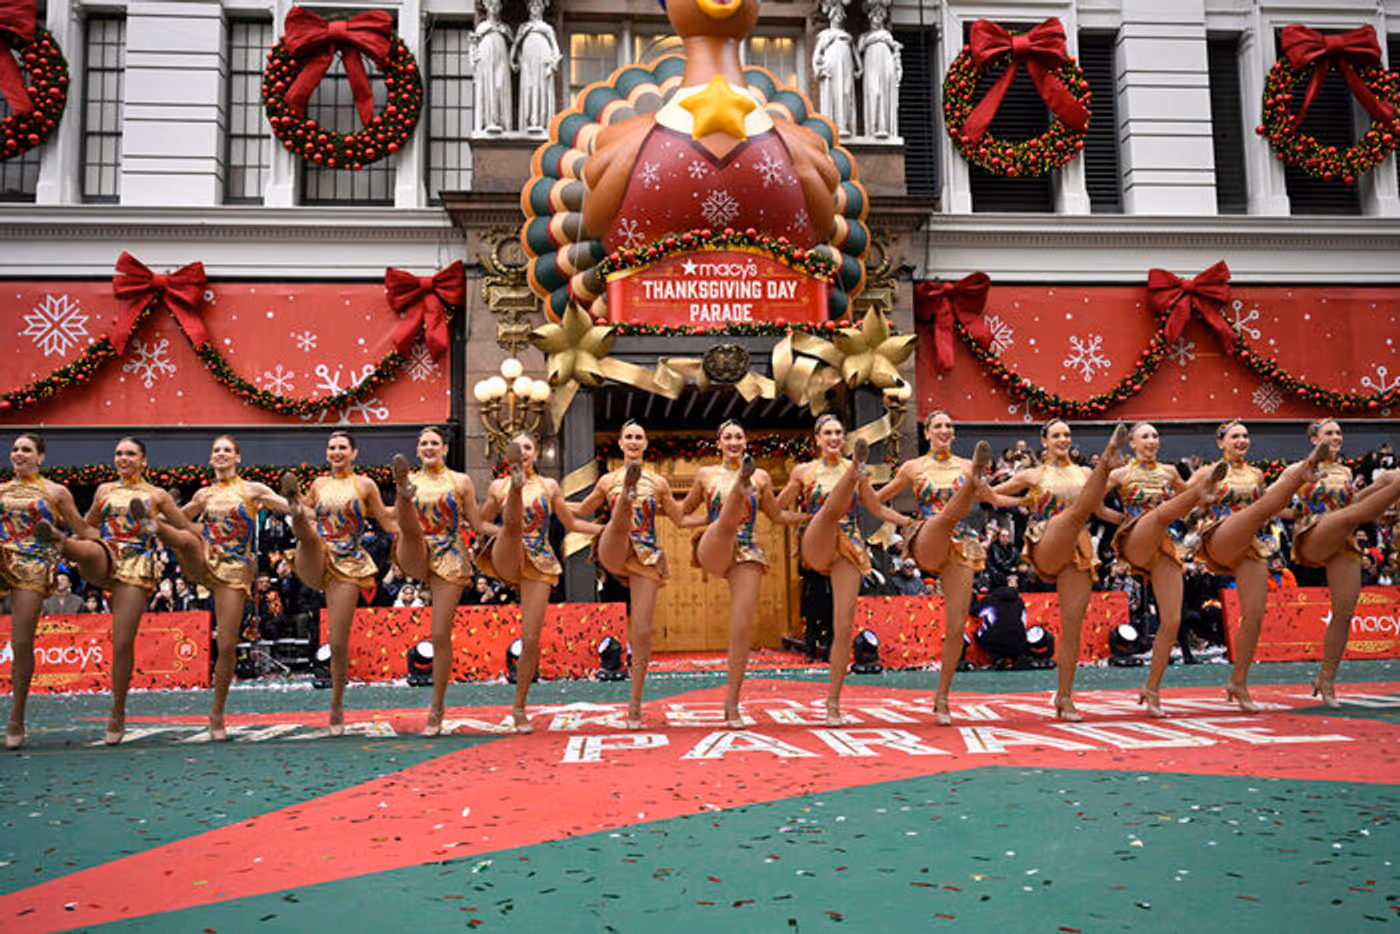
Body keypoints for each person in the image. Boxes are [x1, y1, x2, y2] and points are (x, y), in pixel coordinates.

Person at [39, 437, 201, 745]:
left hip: (137, 566)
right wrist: (79, 539)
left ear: (144, 460)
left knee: (122, 641)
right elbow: (89, 527)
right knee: (86, 547)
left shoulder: (158, 494)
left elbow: (186, 529)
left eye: (130, 454)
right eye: (118, 453)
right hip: (105, 554)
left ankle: (117, 711)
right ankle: (60, 543)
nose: (123, 458)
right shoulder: (104, 491)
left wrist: (176, 533)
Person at [153, 436, 291, 741]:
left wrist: (295, 499)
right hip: (202, 561)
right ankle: (154, 528)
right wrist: (151, 517)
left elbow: (288, 506)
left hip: (234, 570)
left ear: (237, 457)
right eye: (217, 450)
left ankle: (217, 711)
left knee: (227, 644)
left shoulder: (252, 490)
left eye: (227, 450)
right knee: (187, 538)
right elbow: (181, 517)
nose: (221, 454)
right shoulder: (204, 494)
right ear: (211, 457)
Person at [990, 420, 1129, 721]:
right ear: (1044, 440)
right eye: (1056, 435)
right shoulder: (1033, 473)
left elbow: (1099, 511)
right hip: (1047, 539)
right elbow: (989, 496)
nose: (1063, 439)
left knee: (1073, 624)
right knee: (1070, 516)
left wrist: (1131, 521)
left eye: (1067, 434)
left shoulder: (1084, 474)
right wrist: (1023, 501)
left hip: (1078, 548)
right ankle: (1109, 457)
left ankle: (1064, 696)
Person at [777, 415, 909, 725]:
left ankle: (833, 702)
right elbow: (779, 509)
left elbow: (875, 508)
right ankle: (826, 510)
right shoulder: (803, 471)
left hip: (848, 544)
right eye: (828, 433)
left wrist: (909, 522)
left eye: (838, 433)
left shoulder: (858, 474)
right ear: (818, 438)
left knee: (844, 626)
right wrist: (799, 519)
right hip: (816, 538)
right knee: (826, 515)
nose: (834, 438)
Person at [677, 421, 804, 728]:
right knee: (724, 524)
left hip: (747, 550)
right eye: (727, 437)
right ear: (718, 443)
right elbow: (682, 514)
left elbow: (776, 516)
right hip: (714, 544)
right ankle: (735, 496)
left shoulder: (761, 477)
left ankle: (732, 703)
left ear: (745, 442)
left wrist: (816, 515)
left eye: (738, 437)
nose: (733, 441)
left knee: (741, 626)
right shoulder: (705, 475)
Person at [1193, 420, 1325, 712]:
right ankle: (1296, 473)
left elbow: (1269, 508)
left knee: (1253, 616)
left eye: (1245, 436)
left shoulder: (1255, 473)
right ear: (1220, 443)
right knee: (1250, 513)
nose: (1241, 441)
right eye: (1234, 436)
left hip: (1249, 543)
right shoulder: (1209, 471)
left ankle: (1238, 681)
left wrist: (1299, 513)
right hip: (1221, 535)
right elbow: (1187, 502)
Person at [574, 421, 694, 729]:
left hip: (646, 556)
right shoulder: (605, 481)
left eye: (639, 437)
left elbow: (680, 519)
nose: (633, 441)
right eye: (628, 437)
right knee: (617, 522)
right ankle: (625, 499)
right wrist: (548, 500)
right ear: (620, 443)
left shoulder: (659, 483)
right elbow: (580, 511)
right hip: (615, 547)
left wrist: (722, 517)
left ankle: (635, 705)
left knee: (640, 631)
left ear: (645, 442)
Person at [280, 430, 400, 736]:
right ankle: (290, 507)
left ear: (354, 453)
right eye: (331, 447)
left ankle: (336, 705)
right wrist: (298, 507)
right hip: (317, 551)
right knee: (305, 528)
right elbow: (311, 510)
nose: (336, 452)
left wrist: (412, 506)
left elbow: (386, 521)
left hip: (348, 563)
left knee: (337, 640)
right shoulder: (319, 484)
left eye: (342, 447)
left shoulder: (365, 485)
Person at [877, 410, 993, 725]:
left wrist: (1025, 500)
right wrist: (903, 521)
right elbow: (876, 501)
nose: (944, 430)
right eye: (938, 426)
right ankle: (960, 498)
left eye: (949, 426)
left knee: (956, 627)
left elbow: (994, 497)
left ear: (953, 434)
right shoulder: (913, 467)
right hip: (927, 535)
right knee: (943, 519)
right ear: (927, 433)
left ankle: (942, 696)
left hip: (961, 544)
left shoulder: (967, 466)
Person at [479, 433, 601, 732]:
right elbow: (481, 522)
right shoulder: (497, 486)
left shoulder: (549, 486)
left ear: (536, 454)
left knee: (530, 638)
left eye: (528, 448)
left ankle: (519, 707)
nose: (522, 452)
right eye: (516, 449)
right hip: (507, 549)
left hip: (539, 560)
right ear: (508, 456)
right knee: (510, 525)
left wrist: (605, 530)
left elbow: (571, 523)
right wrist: (500, 536)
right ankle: (515, 504)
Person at [1106, 422, 1227, 716]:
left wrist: (1198, 501)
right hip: (1135, 536)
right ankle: (1203, 486)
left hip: (1163, 544)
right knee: (1158, 515)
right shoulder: (1120, 474)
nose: (1152, 440)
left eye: (1155, 435)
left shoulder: (1171, 472)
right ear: (1132, 443)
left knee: (1172, 620)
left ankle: (1152, 688)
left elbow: (1182, 508)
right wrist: (1119, 520)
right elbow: (1092, 503)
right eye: (1145, 436)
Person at [389, 426, 495, 735]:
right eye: (423, 443)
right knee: (408, 529)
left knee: (438, 634)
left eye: (435, 442)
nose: (429, 447)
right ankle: (402, 492)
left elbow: (476, 523)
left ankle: (437, 708)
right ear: (418, 449)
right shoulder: (414, 479)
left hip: (450, 555)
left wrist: (507, 534)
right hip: (416, 547)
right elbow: (393, 520)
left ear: (444, 449)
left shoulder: (460, 481)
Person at [1289, 419, 1400, 707]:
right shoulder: (1302, 468)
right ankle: (1394, 485)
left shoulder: (1346, 470)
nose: (1336, 437)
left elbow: (1351, 507)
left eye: (1338, 432)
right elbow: (1280, 503)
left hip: (1343, 535)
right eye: (1329, 433)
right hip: (1314, 532)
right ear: (1314, 439)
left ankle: (1325, 679)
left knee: (1345, 612)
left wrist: (1379, 498)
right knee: (1363, 505)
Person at [1, 433, 99, 749]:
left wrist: (110, 542)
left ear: (40, 456)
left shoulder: (56, 492)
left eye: (26, 449)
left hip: (33, 566)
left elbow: (82, 528)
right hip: (3, 556)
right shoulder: (1, 490)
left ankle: (16, 716)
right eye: (15, 449)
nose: (19, 454)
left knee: (21, 641)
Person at [511, 0, 562, 135]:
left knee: (540, 88)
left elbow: (555, 48)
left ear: (542, 9)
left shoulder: (547, 28)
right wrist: (514, 60)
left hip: (542, 59)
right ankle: (528, 122)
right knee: (529, 87)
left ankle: (539, 121)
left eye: (538, 5)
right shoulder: (523, 27)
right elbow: (515, 46)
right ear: (529, 8)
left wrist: (552, 64)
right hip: (527, 62)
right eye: (532, 5)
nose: (535, 8)